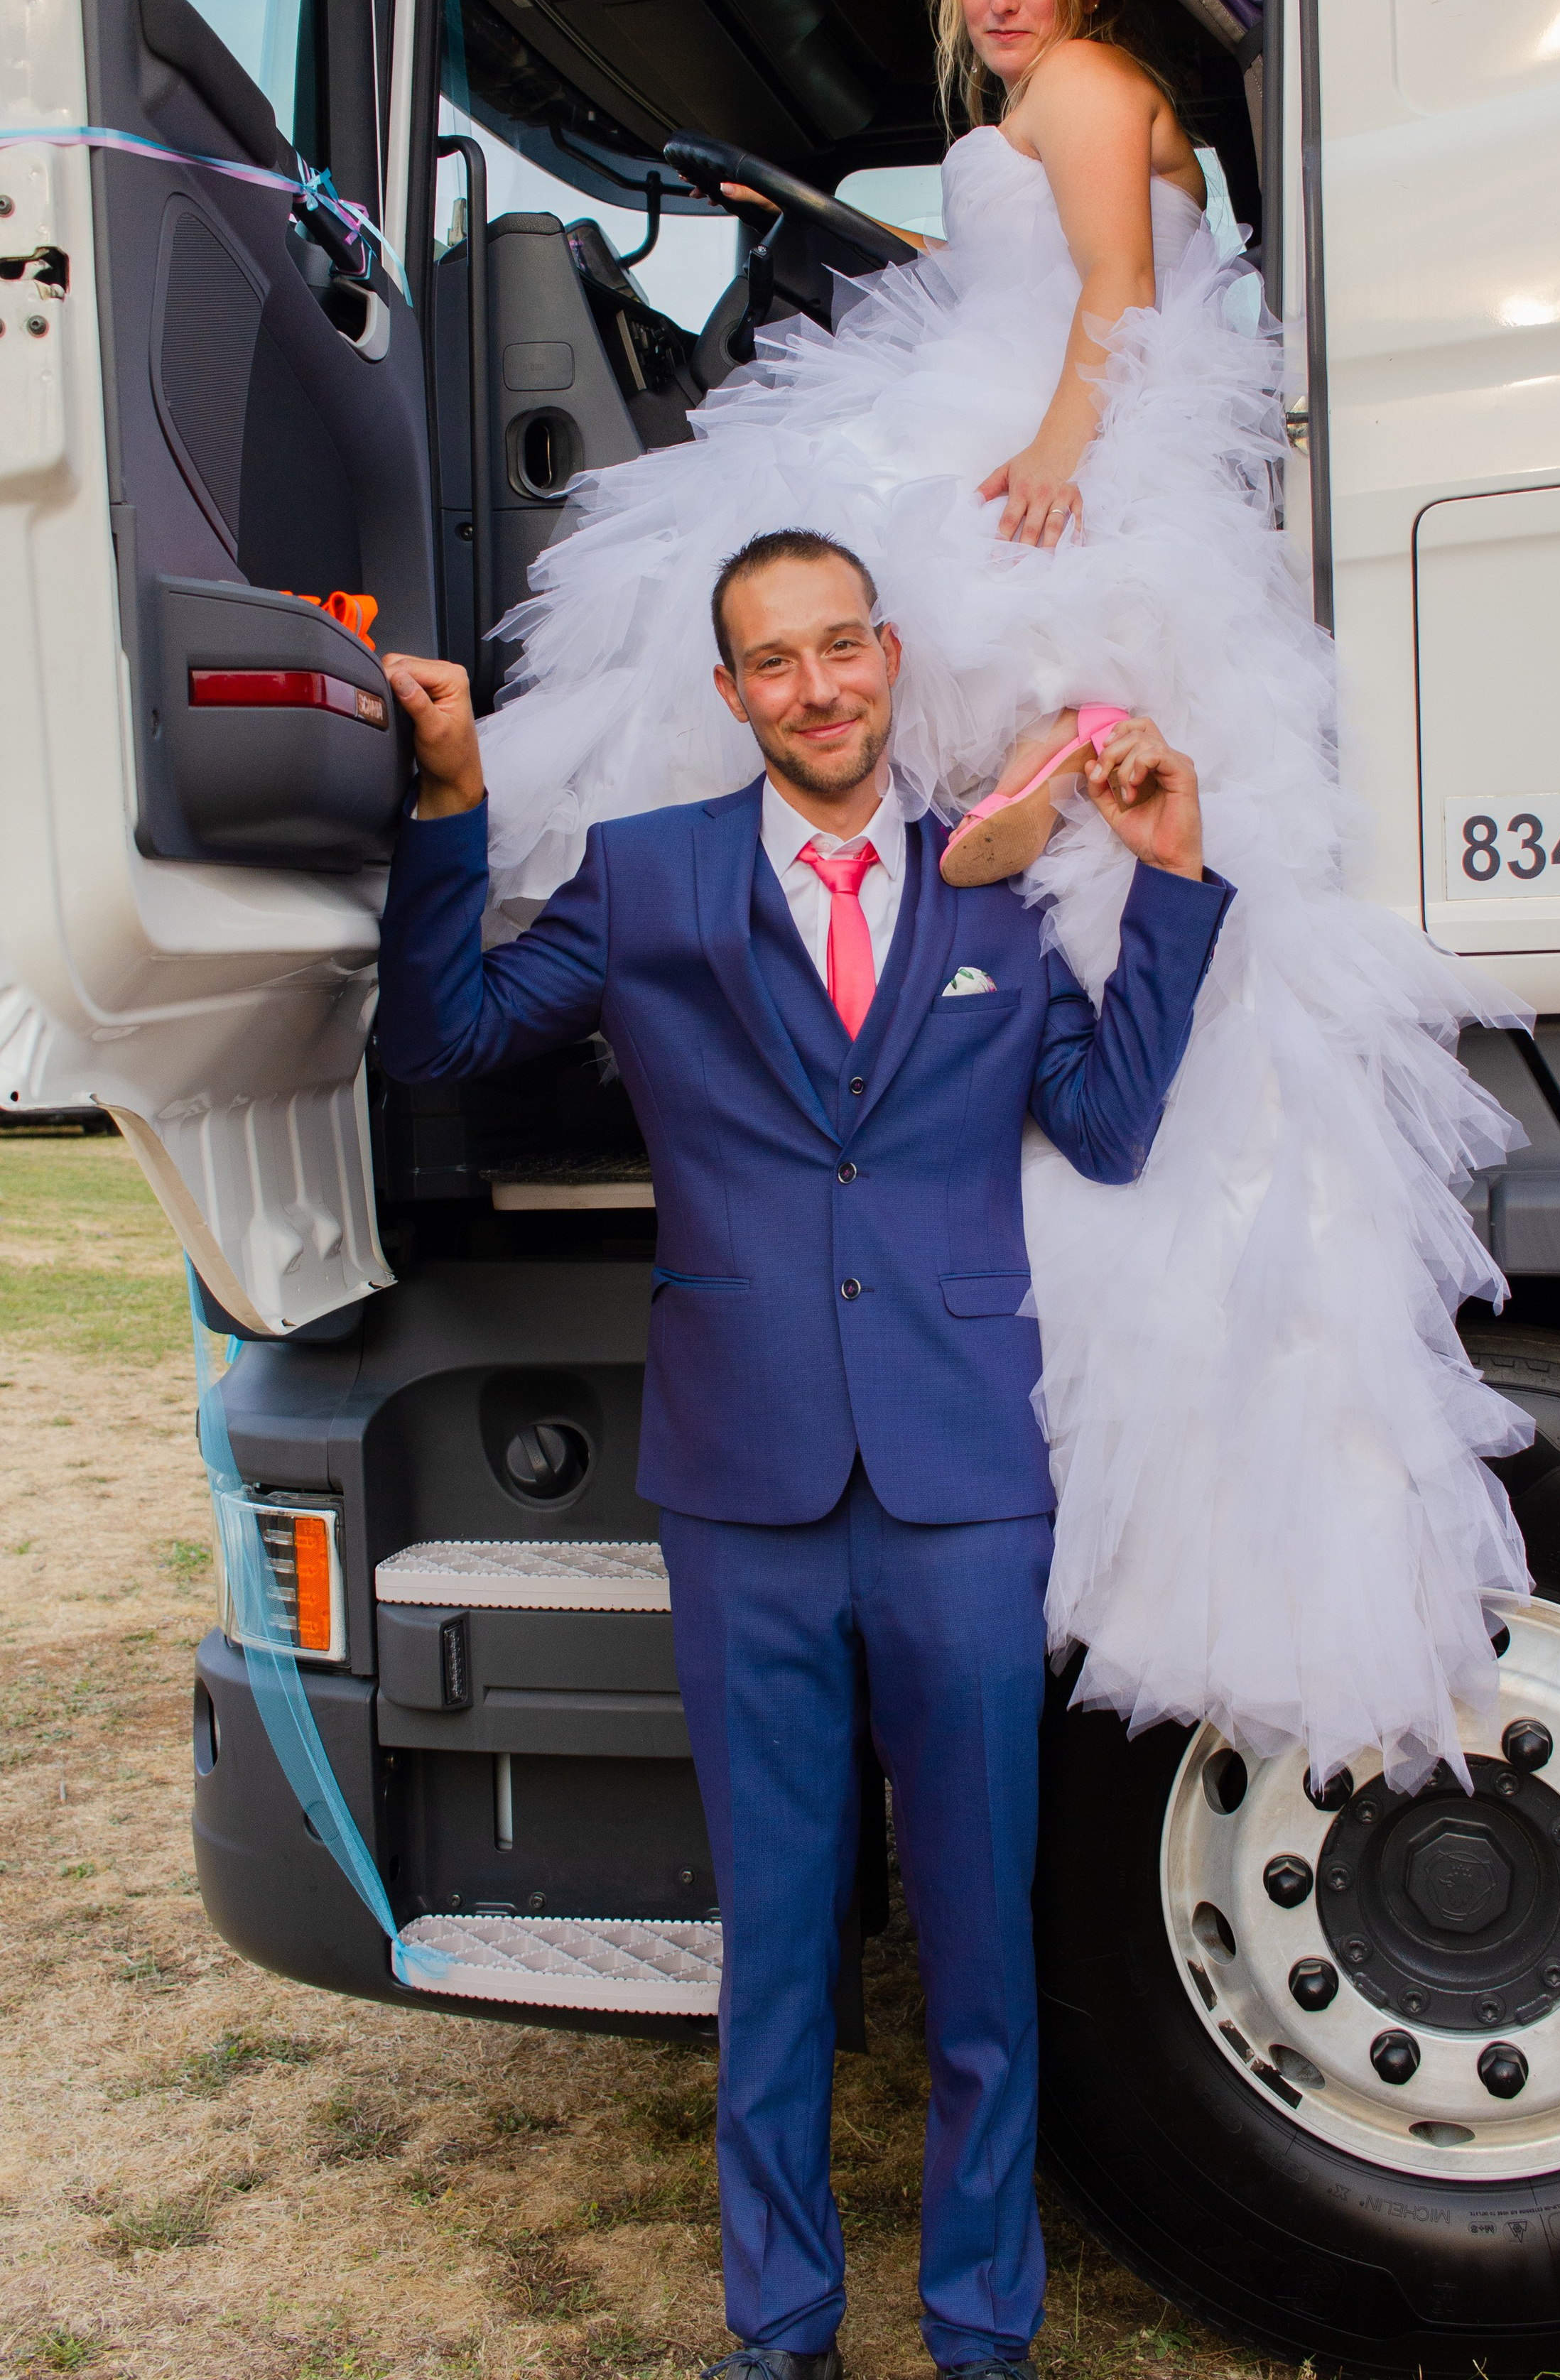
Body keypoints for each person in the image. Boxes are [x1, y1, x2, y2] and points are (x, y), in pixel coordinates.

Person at [472, 0, 1533, 1800]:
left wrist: (1056, 445)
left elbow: (1119, 292)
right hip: (1021, 379)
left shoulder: (1094, 93)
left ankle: (805, 981)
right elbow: (1033, 272)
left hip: (1076, 422)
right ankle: (863, 960)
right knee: (828, 638)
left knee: (808, 619)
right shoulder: (1032, 110)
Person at [377, 531, 1231, 2377]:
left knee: (981, 1951)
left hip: (961, 1481)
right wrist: (449, 803)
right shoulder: (650, 880)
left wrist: (1166, 884)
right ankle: (781, 2334)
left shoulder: (996, 887)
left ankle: (980, 2329)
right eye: (777, 661)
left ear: (889, 658)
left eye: (844, 649)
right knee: (774, 1942)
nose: (819, 687)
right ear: (732, 693)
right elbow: (442, 1034)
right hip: (742, 1482)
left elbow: (1105, 1127)